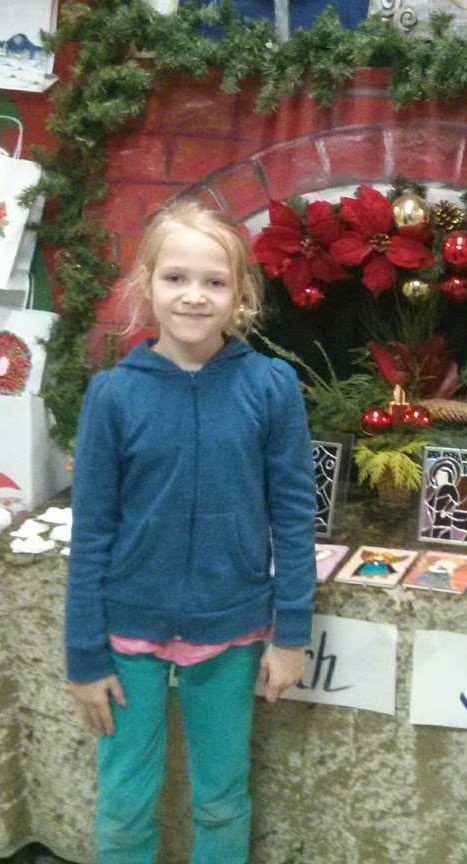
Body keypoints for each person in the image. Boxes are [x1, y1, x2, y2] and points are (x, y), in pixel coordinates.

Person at [65, 199, 317, 864]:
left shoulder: (272, 387)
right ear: (146, 284)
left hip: (230, 627)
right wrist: (84, 658)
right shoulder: (113, 395)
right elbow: (91, 534)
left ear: (241, 295)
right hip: (127, 630)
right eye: (176, 277)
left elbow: (294, 518)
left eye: (214, 281)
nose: (194, 296)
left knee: (222, 797)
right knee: (124, 802)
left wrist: (291, 634)